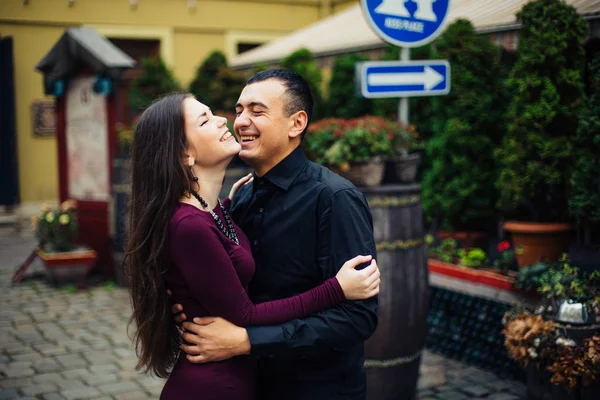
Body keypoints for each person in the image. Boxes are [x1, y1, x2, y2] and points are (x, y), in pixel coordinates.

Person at [124, 92, 380, 400]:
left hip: (313, 388)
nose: (234, 120)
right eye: (236, 110)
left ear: (296, 123)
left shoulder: (331, 197)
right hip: (224, 384)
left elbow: (359, 317)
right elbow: (241, 307)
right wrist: (335, 288)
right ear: (184, 154)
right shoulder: (210, 213)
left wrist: (244, 340)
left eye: (257, 111)